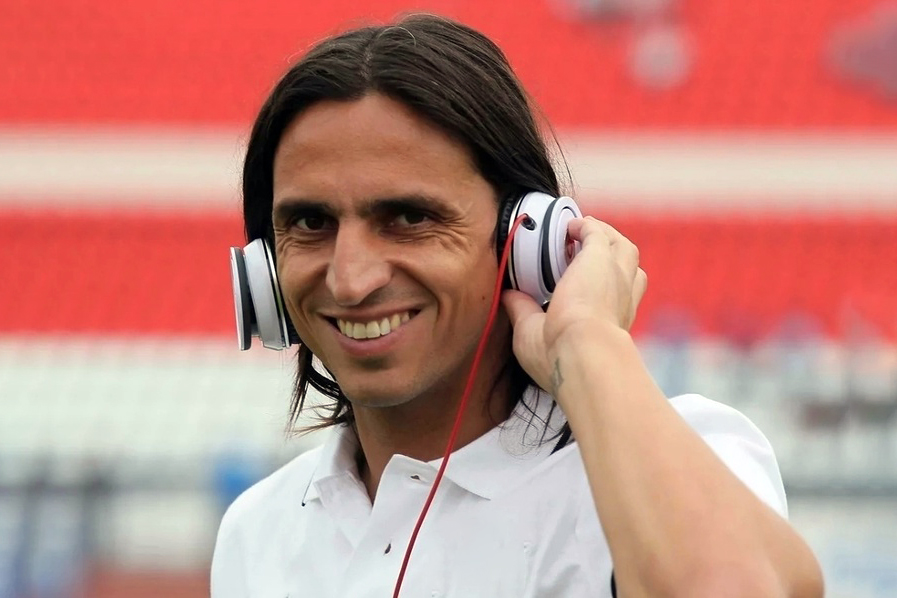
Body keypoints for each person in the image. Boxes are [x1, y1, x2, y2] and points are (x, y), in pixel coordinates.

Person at [211, 14, 823, 598]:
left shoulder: (689, 454)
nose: (350, 281)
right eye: (310, 223)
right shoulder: (255, 531)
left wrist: (584, 340)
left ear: (525, 241)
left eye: (409, 217)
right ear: (265, 268)